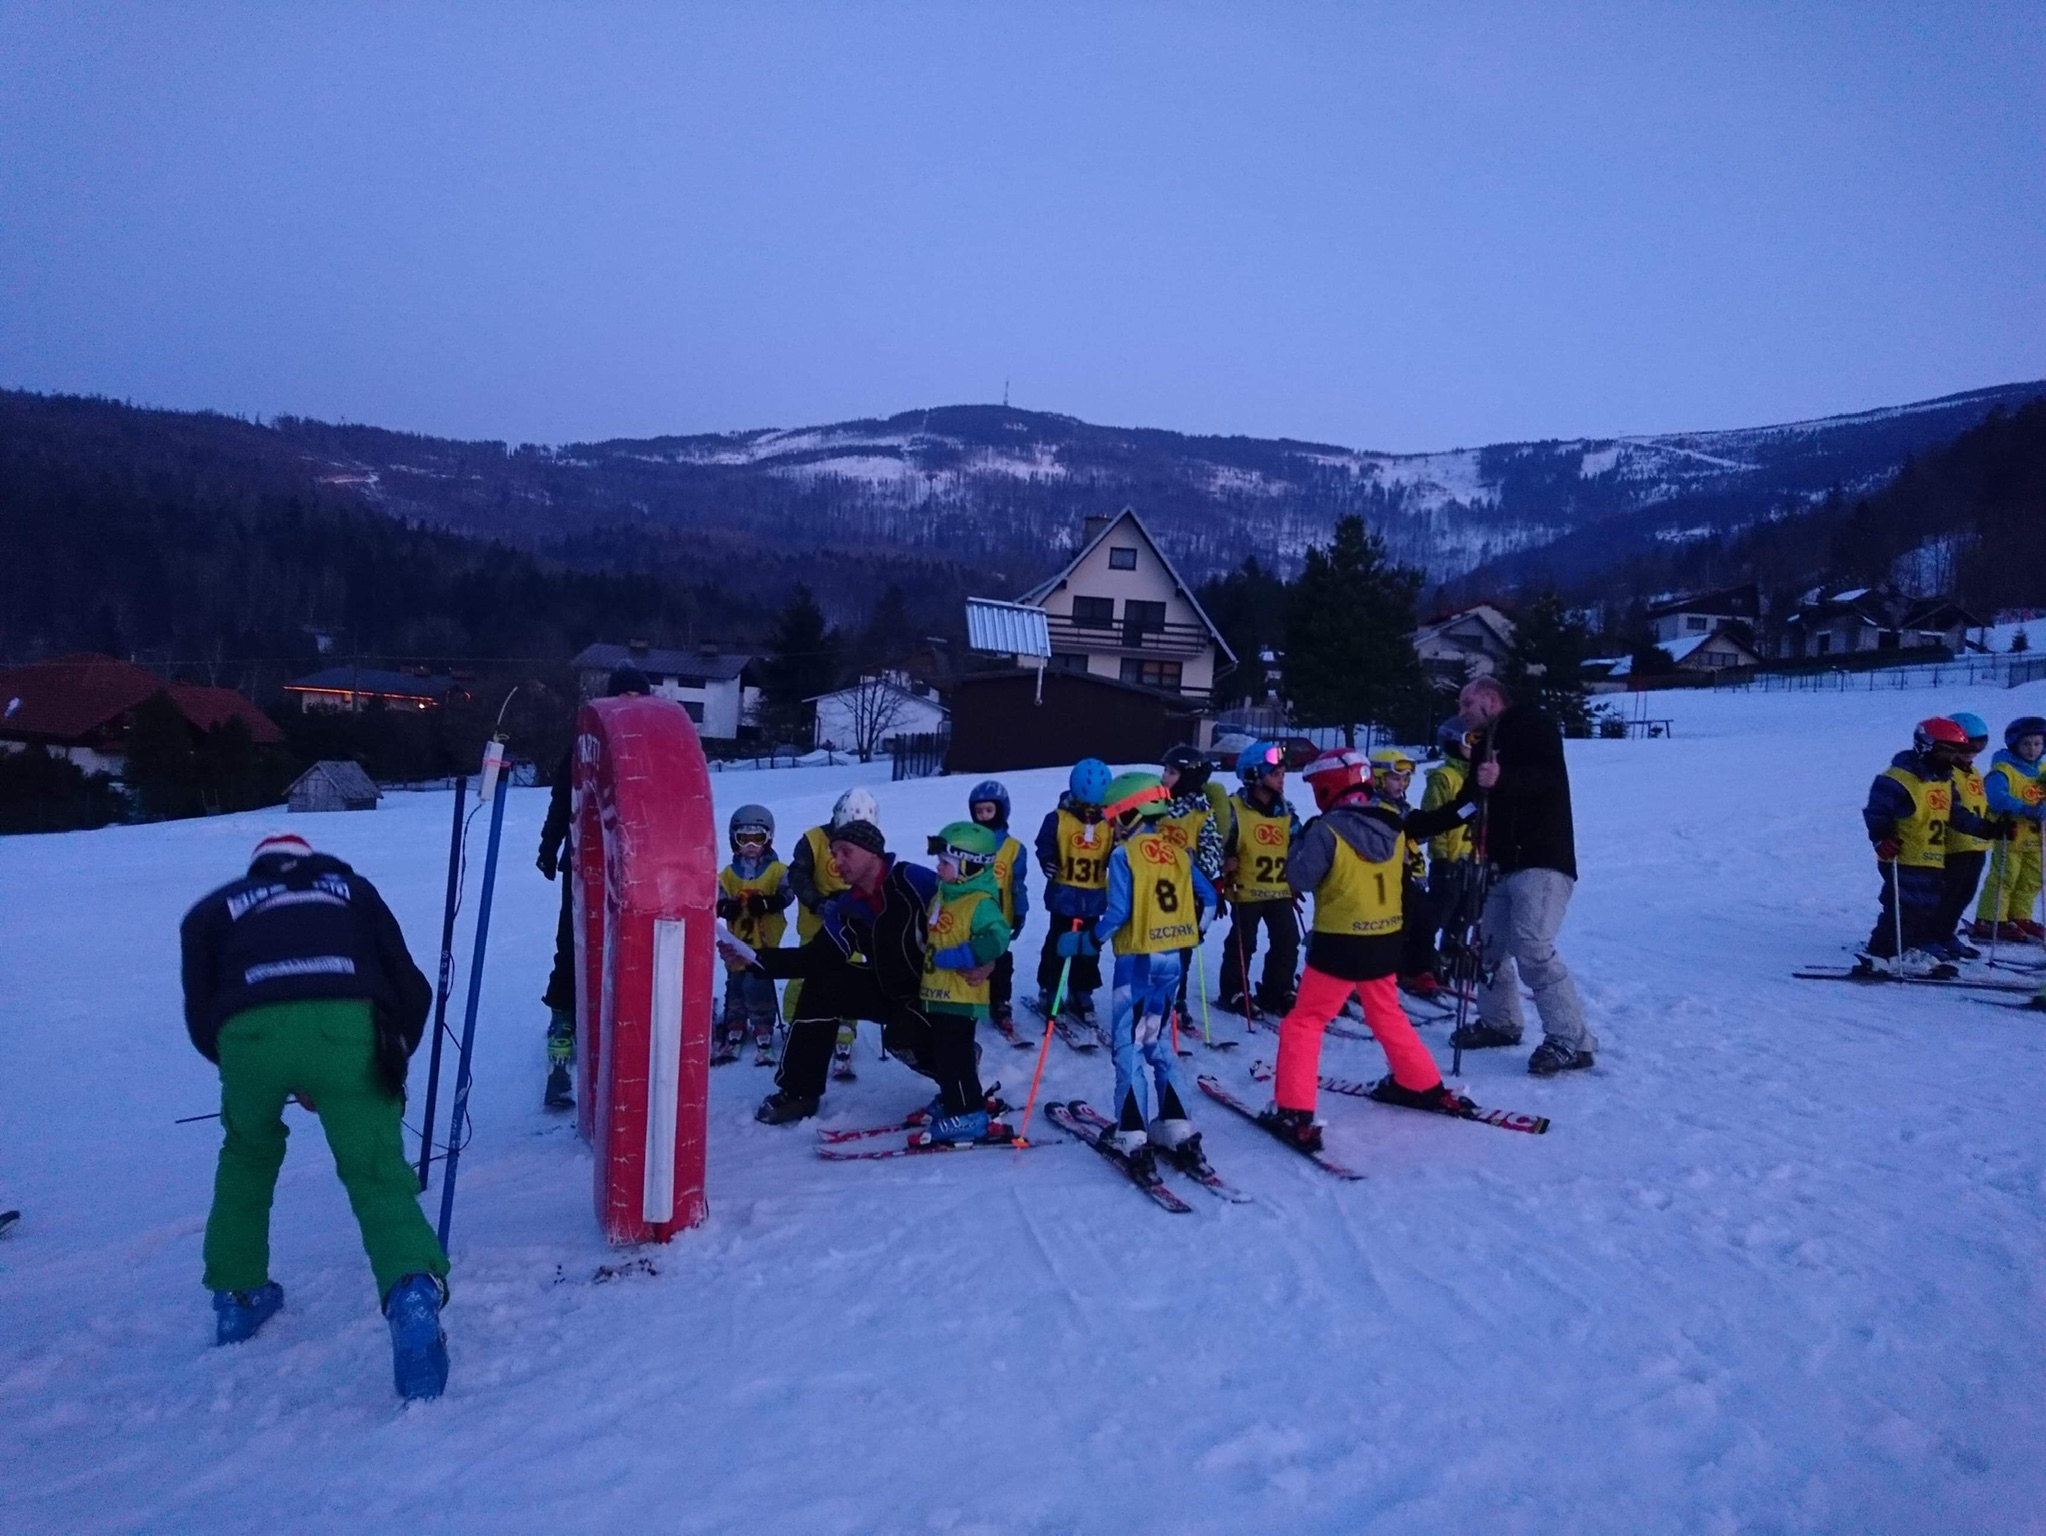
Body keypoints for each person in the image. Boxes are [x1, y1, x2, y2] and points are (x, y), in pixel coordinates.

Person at [179, 832, 450, 1400]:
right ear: (316, 863)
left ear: (257, 870)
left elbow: (201, 1009)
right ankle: (411, 1294)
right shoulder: (352, 890)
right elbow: (410, 985)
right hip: (345, 1022)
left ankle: (238, 1297)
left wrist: (244, 1063)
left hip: (247, 1031)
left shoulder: (216, 907)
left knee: (246, 1157)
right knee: (376, 1172)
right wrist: (389, 1058)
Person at [1259, 750, 1476, 1151]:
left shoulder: (1326, 829)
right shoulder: (1394, 822)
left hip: (1339, 944)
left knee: (1304, 1022)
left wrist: (1298, 843)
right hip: (1385, 940)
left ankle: (1295, 1110)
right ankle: (1420, 1083)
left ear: (1329, 788)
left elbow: (1299, 878)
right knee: (1386, 1014)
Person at [733, 818, 989, 1135]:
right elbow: (818, 958)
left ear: (872, 852)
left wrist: (988, 962)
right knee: (824, 983)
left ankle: (959, 1076)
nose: (836, 862)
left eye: (845, 852)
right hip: (891, 988)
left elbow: (977, 913)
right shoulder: (850, 905)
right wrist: (754, 959)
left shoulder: (914, 881)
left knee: (902, 1036)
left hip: (941, 993)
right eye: (833, 853)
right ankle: (800, 1093)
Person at [1446, 675, 1597, 1078]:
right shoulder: (1483, 746)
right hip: (1500, 864)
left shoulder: (1534, 724)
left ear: (1490, 698)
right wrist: (1412, 826)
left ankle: (1572, 1039)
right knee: (1488, 947)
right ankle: (1500, 1022)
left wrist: (1503, 780)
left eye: (1467, 703)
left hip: (1541, 859)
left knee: (1532, 946)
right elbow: (1468, 803)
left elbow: (1547, 779)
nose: (1462, 713)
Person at [1090, 772, 1219, 1173]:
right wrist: (1195, 932)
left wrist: (1088, 940)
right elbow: (1209, 897)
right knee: (1157, 1038)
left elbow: (1118, 913)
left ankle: (1131, 1129)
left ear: (1130, 813)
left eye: (1114, 817)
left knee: (1128, 1042)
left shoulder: (1124, 856)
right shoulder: (1178, 853)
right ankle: (1176, 1124)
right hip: (1171, 960)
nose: (1112, 826)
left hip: (1137, 961)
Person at [536, 665, 650, 1109]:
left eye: (636, 698)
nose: (628, 706)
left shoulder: (648, 746)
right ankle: (564, 1018)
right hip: (585, 862)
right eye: (622, 697)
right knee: (573, 941)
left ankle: (621, 1015)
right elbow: (562, 799)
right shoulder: (586, 744)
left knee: (629, 944)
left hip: (634, 863)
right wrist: (549, 845)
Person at [1855, 717, 1996, 977]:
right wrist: (1881, 837)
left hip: (1932, 857)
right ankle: (1882, 953)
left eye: (1955, 752)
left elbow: (1956, 814)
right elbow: (1877, 812)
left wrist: (1988, 828)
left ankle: (1907, 949)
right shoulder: (1896, 779)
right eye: (1945, 751)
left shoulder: (1944, 780)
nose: (1951, 758)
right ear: (1926, 746)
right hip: (1903, 856)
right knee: (1904, 907)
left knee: (1927, 908)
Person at [788, 787, 879, 1074]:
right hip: (816, 924)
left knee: (851, 976)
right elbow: (797, 876)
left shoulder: (869, 843)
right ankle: (795, 1020)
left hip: (853, 925)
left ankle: (845, 1026)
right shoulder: (812, 840)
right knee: (806, 974)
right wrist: (817, 902)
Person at [1216, 740, 1303, 1018]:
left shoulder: (1285, 811)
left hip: (1279, 889)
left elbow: (1297, 844)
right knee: (1244, 942)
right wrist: (1224, 863)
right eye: (1275, 774)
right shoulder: (1234, 809)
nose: (1281, 780)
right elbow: (1218, 843)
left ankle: (1278, 989)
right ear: (1254, 775)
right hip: (1247, 889)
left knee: (1287, 940)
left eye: (1283, 774)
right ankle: (1234, 989)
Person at [920, 820, 1014, 1075]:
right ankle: (953, 1093)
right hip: (935, 992)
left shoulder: (980, 902)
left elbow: (998, 936)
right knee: (942, 1054)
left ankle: (966, 1099)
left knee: (954, 1060)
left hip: (961, 996)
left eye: (945, 863)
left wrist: (966, 955)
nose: (938, 867)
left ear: (969, 866)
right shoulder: (942, 895)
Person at [1034, 759, 1114, 1022]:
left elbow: (1117, 851)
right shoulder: (1058, 818)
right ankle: (1050, 988)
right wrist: (1048, 859)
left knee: (1088, 948)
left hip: (1093, 897)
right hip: (1064, 896)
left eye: (1096, 806)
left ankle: (1081, 990)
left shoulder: (1110, 822)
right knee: (1057, 944)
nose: (1091, 811)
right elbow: (1044, 842)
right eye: (1086, 804)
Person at [714, 805, 792, 1065]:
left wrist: (770, 903)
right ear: (733, 840)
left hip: (764, 944)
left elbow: (788, 892)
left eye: (757, 838)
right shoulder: (728, 874)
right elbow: (716, 896)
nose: (750, 845)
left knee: (757, 983)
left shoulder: (777, 870)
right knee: (736, 982)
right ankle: (735, 1021)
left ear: (768, 840)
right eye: (743, 839)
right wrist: (724, 907)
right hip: (737, 943)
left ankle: (763, 1024)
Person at [1157, 744, 1226, 1022]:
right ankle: (1152, 995)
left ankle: (1177, 997)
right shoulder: (1156, 805)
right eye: (1165, 770)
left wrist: (1199, 867)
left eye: (1172, 772)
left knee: (1182, 948)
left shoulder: (1201, 812)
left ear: (1188, 778)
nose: (1164, 776)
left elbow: (1212, 849)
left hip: (1188, 892)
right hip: (1157, 890)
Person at [1368, 746, 1442, 999]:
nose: (1401, 783)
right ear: (1379, 778)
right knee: (1397, 928)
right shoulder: (1374, 808)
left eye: (1405, 778)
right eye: (1394, 778)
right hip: (1389, 881)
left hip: (1413, 878)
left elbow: (1419, 832)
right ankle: (1386, 972)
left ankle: (1418, 970)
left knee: (1425, 922)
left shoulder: (1402, 807)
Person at [1973, 715, 2046, 942]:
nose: (2032, 749)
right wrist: (2024, 809)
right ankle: (1990, 918)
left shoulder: (2042, 771)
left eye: (2037, 744)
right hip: (2011, 834)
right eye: (2026, 744)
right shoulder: (2003, 770)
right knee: (2005, 876)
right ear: (2015, 744)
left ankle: (2019, 915)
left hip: (2037, 837)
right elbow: (1996, 797)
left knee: (2032, 878)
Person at [967, 780, 1031, 1036]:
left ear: (1001, 810)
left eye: (989, 810)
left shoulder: (1014, 849)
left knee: (1001, 962)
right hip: (971, 919)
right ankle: (969, 998)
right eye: (979, 811)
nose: (984, 816)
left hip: (999, 919)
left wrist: (1020, 912)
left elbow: (1018, 885)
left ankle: (1000, 1001)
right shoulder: (968, 843)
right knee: (972, 958)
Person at [1935, 713, 1992, 961]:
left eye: (1978, 747)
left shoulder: (1973, 773)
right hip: (1955, 845)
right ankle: (1934, 935)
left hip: (1977, 844)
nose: (1971, 753)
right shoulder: (1946, 773)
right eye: (1966, 748)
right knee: (1948, 895)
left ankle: (1946, 934)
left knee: (1965, 894)